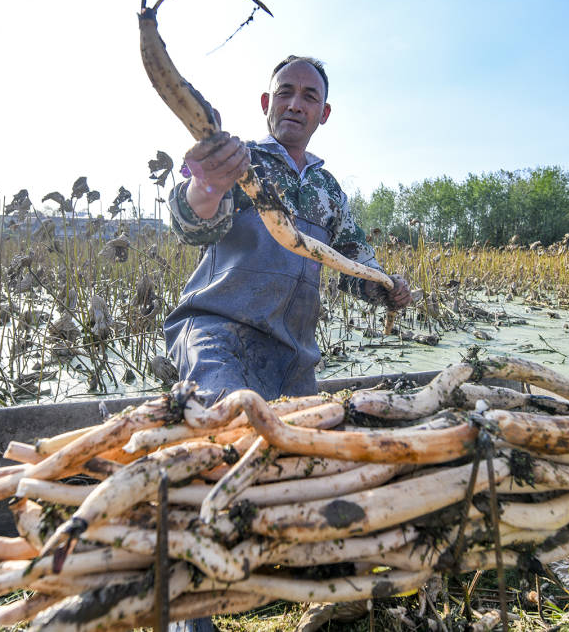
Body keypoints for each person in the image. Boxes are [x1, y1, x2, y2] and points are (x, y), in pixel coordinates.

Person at [164, 55, 412, 408]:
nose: (295, 105)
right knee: (235, 421)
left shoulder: (328, 191)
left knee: (298, 445)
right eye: (285, 93)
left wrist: (388, 289)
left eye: (310, 97)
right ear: (267, 103)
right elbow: (190, 224)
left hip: (293, 354)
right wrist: (209, 183)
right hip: (217, 336)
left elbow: (356, 267)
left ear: (323, 113)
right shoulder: (236, 159)